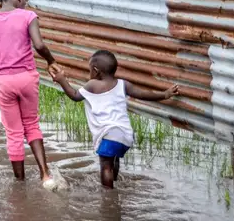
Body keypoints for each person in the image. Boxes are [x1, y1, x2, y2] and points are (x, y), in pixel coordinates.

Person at [51, 50, 180, 189]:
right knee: (114, 159)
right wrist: (165, 94)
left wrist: (62, 80)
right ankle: (115, 181)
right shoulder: (122, 84)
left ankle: (108, 195)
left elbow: (75, 96)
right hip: (125, 135)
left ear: (95, 71)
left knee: (105, 166)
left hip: (109, 134)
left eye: (90, 70)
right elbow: (142, 94)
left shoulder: (92, 85)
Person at [0, 0, 61, 190]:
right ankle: (45, 175)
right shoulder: (28, 16)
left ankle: (20, 184)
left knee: (14, 133)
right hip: (26, 78)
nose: (25, 3)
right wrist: (51, 61)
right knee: (32, 125)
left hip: (3, 81)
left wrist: (3, 69)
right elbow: (40, 45)